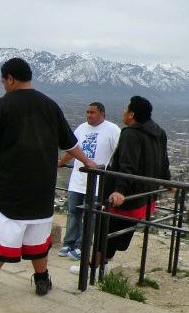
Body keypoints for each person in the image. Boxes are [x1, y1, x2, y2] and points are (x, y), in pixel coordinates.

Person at [0, 58, 97, 298]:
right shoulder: (50, 105)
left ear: (10, 79)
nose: (4, 86)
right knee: (38, 237)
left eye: (3, 81)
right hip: (42, 188)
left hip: (8, 187)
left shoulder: (2, 105)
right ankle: (42, 280)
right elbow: (70, 142)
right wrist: (88, 162)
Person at [71, 96, 170, 273]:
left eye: (126, 109)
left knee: (105, 230)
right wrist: (168, 181)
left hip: (125, 197)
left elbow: (127, 165)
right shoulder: (159, 133)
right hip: (144, 195)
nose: (123, 112)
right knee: (120, 233)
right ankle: (103, 264)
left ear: (132, 114)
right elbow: (164, 161)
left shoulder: (131, 134)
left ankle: (93, 267)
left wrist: (119, 190)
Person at [57, 103, 120, 260]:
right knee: (73, 212)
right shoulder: (81, 128)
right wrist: (58, 163)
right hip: (77, 180)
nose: (88, 115)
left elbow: (119, 153)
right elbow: (72, 150)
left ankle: (81, 246)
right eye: (87, 112)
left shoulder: (112, 130)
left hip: (97, 182)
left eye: (92, 112)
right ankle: (69, 242)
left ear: (102, 114)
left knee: (90, 215)